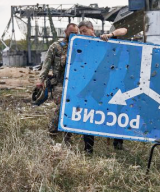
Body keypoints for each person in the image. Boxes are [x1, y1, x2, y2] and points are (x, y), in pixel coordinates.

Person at [78, 20, 128, 153]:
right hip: (93, 87)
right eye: (80, 32)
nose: (83, 34)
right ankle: (88, 149)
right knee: (88, 116)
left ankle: (118, 144)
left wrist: (110, 35)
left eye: (84, 31)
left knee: (116, 113)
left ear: (91, 29)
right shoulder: (80, 45)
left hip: (110, 83)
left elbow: (124, 30)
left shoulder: (103, 40)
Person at [37, 23, 79, 143]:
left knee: (71, 108)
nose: (74, 35)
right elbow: (46, 65)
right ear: (66, 32)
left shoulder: (80, 46)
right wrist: (40, 80)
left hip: (74, 84)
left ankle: (67, 136)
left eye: (76, 33)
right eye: (71, 33)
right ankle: (52, 130)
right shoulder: (56, 47)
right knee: (63, 106)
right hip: (59, 83)